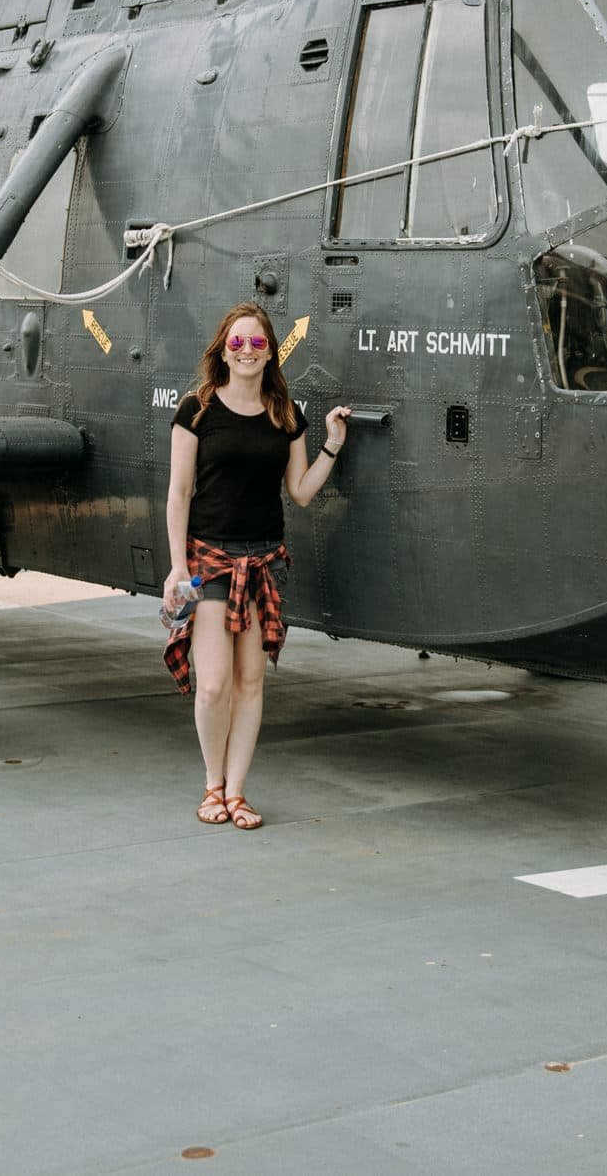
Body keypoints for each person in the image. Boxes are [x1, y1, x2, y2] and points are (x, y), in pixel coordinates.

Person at [162, 300, 350, 831]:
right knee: (215, 683)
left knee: (250, 682)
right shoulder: (196, 409)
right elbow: (178, 494)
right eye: (237, 342)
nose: (246, 350)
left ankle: (238, 792)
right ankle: (211, 784)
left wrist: (332, 446)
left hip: (265, 560)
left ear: (271, 352)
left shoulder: (285, 415)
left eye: (257, 343)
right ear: (223, 350)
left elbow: (300, 492)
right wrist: (179, 567)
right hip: (210, 560)